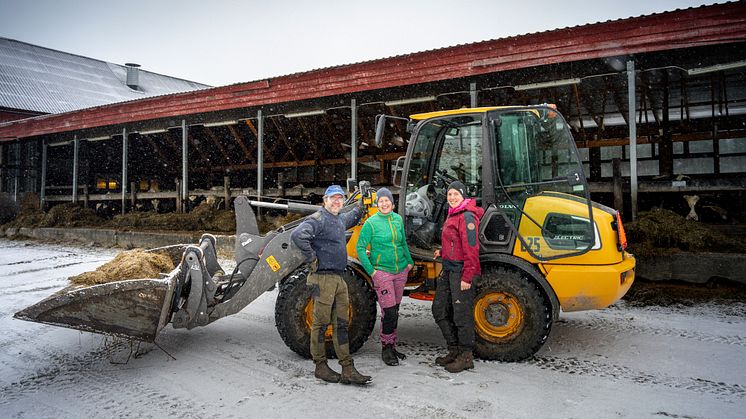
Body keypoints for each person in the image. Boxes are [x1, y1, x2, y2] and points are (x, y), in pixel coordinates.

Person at [290, 184, 372, 385]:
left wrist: (362, 205)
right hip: (323, 279)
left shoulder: (338, 219)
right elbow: (298, 235)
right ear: (324, 201)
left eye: (340, 198)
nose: (336, 201)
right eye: (332, 198)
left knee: (341, 324)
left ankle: (347, 367)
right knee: (319, 325)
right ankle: (320, 366)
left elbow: (351, 217)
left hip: (339, 279)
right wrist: (312, 258)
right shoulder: (318, 219)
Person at [356, 187, 414, 366]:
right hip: (382, 272)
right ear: (377, 204)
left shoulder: (397, 220)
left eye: (387, 200)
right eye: (380, 201)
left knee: (394, 311)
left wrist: (410, 262)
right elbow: (360, 248)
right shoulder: (371, 223)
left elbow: (402, 242)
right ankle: (386, 347)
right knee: (388, 311)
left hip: (400, 270)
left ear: (392, 203)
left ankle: (392, 344)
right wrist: (372, 271)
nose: (384, 203)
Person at [432, 181, 484, 373]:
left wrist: (467, 277)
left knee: (461, 315)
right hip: (449, 268)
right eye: (449, 194)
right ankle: (454, 349)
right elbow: (455, 243)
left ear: (463, 196)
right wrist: (443, 252)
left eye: (455, 194)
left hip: (462, 271)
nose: (452, 197)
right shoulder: (453, 213)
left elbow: (471, 249)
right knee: (439, 310)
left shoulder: (467, 216)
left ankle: (466, 356)